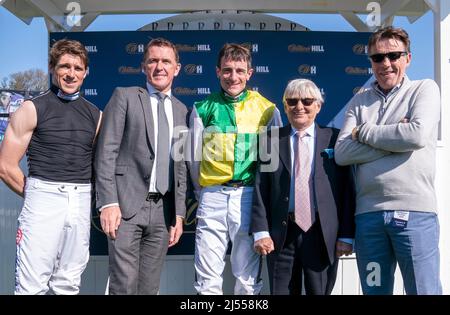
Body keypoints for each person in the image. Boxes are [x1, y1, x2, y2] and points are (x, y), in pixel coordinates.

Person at [334, 26, 442, 295]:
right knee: (374, 291)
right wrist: (396, 141)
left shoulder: (424, 89)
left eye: (394, 55)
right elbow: (343, 152)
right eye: (378, 58)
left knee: (423, 291)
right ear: (370, 61)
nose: (386, 64)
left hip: (415, 215)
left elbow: (415, 136)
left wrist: (365, 132)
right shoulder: (359, 101)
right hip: (368, 218)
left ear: (408, 58)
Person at [0, 39, 101, 294]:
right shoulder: (31, 108)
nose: (71, 74)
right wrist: (36, 194)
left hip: (80, 200)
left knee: (68, 284)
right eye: (65, 66)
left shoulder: (96, 115)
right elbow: (5, 166)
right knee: (30, 287)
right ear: (51, 68)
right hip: (42, 198)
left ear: (86, 72)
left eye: (78, 68)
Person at [95, 38, 188, 295]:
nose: (159, 67)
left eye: (166, 61)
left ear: (176, 68)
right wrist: (108, 203)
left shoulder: (182, 111)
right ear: (143, 67)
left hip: (162, 212)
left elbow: (180, 168)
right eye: (153, 60)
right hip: (125, 207)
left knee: (149, 288)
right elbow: (106, 153)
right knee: (123, 286)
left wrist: (179, 214)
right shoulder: (124, 97)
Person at [188, 43, 282, 295]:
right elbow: (193, 157)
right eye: (227, 70)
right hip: (212, 195)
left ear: (250, 74)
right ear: (217, 72)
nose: (233, 77)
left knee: (247, 277)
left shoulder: (267, 109)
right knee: (207, 277)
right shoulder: (202, 107)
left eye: (240, 71)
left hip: (249, 197)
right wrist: (204, 193)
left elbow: (273, 162)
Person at [251, 79, 355, 295]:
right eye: (292, 101)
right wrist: (261, 231)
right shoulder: (269, 140)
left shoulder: (335, 140)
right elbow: (261, 187)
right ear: (284, 106)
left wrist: (346, 234)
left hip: (322, 235)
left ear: (318, 105)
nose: (299, 106)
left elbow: (347, 190)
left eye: (307, 101)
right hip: (281, 235)